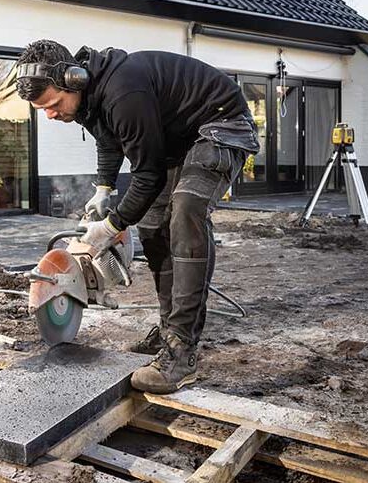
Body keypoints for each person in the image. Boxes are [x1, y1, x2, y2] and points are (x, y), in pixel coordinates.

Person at [15, 40, 259, 394]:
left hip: (220, 126)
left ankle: (181, 354)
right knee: (152, 228)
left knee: (186, 212)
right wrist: (103, 189)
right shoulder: (90, 94)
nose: (50, 115)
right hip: (177, 142)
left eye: (53, 105)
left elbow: (148, 176)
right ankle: (169, 332)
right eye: (43, 110)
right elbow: (109, 139)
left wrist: (110, 226)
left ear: (75, 79)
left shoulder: (123, 90)